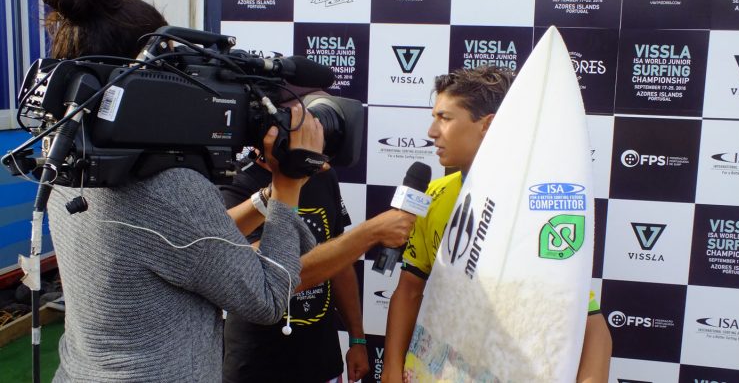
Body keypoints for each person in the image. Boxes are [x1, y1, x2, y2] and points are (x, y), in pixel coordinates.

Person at [37, 0, 323, 381]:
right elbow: (267, 298)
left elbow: (177, 246)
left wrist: (266, 200)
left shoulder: (65, 158)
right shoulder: (166, 186)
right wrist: (289, 182)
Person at [382, 66, 612, 383]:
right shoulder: (433, 196)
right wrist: (391, 368)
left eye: (445, 118)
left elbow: (588, 320)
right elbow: (408, 291)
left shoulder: (536, 209)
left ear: (487, 125)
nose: (432, 131)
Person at [221, 95, 416, 383]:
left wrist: (358, 339)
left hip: (320, 361)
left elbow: (338, 260)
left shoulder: (324, 176)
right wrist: (370, 232)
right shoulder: (235, 181)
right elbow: (270, 274)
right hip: (254, 365)